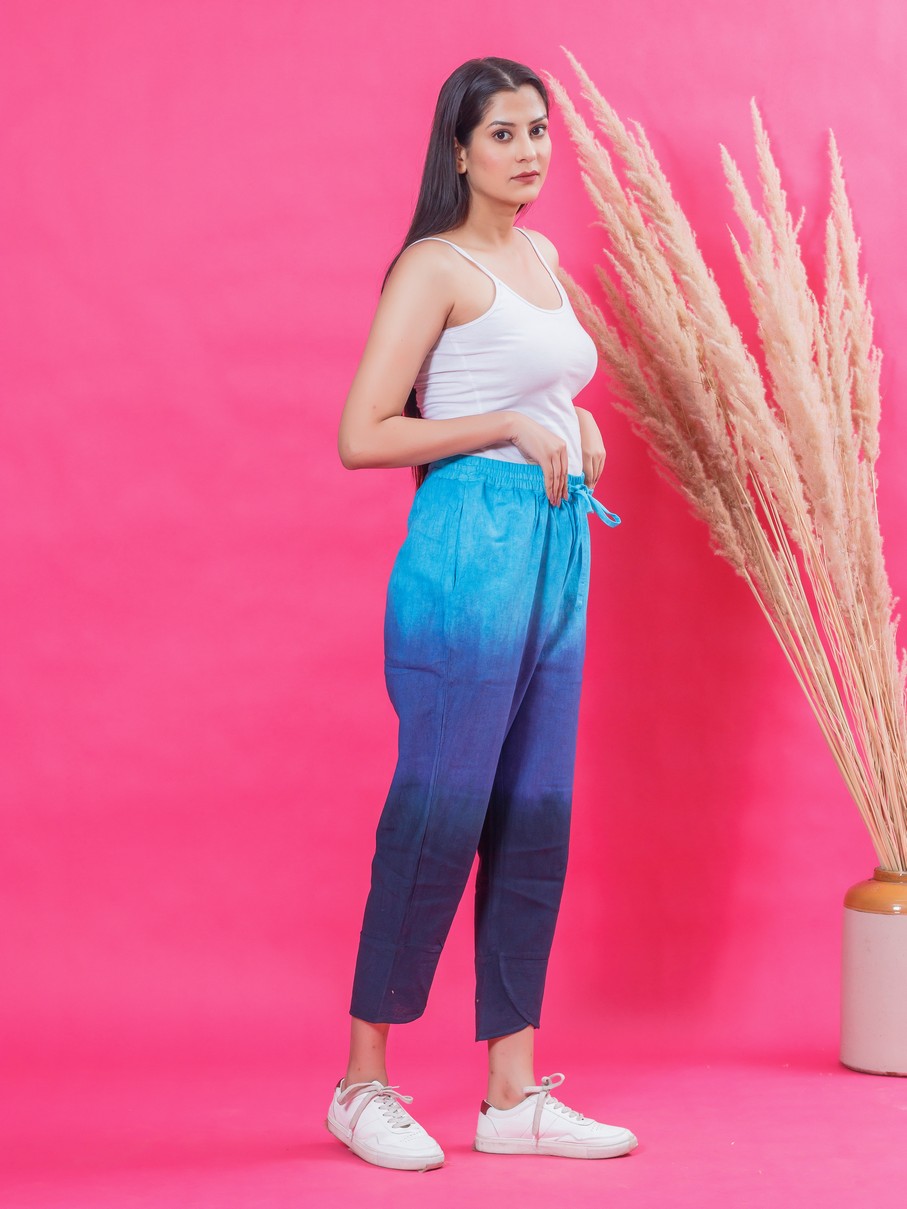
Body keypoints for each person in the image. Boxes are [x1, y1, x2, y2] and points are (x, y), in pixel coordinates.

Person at [327, 56, 637, 1171]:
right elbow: (364, 433)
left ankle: (511, 1095)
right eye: (502, 133)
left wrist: (575, 424)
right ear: (458, 151)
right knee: (440, 808)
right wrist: (506, 423)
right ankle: (362, 1083)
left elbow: (539, 391)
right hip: (469, 547)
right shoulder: (435, 265)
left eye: (538, 130)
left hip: (554, 542)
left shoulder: (541, 257)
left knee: (532, 811)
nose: (528, 150)